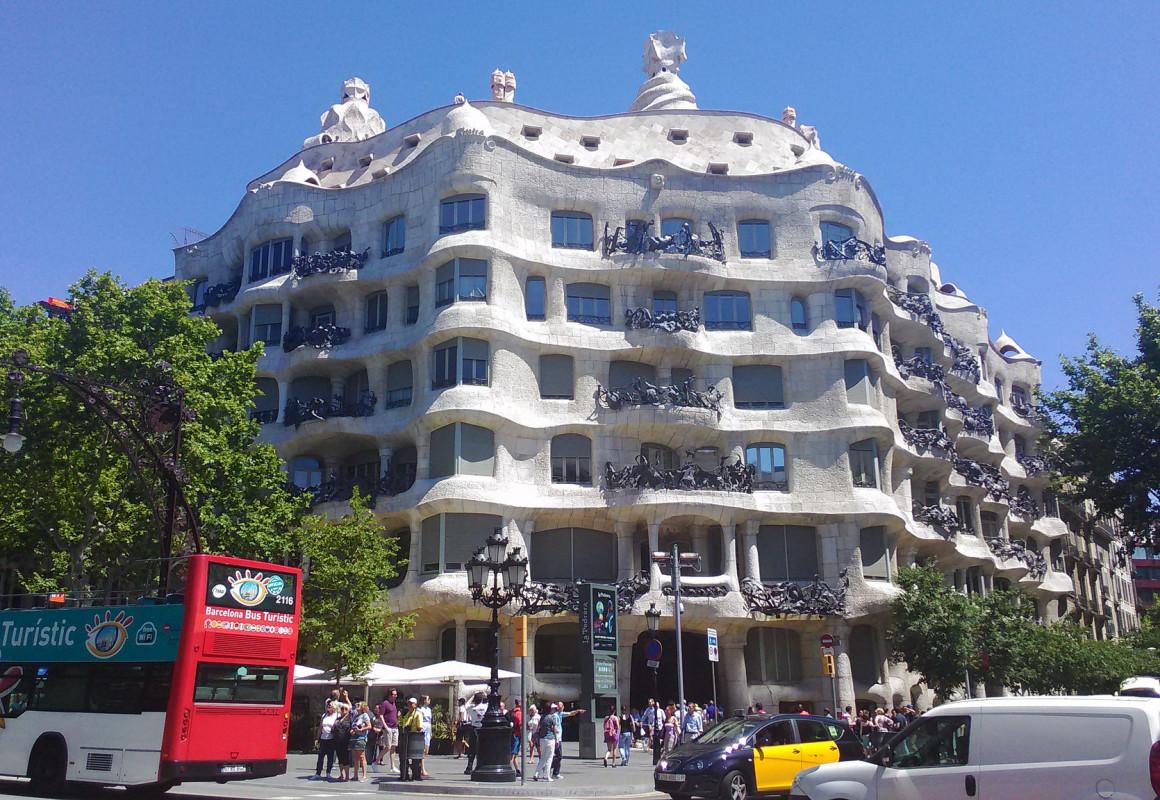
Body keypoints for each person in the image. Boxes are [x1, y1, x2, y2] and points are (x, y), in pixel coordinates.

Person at [551, 701, 587, 779]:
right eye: (558, 707)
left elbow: (571, 713)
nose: (559, 708)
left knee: (557, 756)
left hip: (558, 738)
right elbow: (554, 727)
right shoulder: (555, 715)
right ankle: (550, 768)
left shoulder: (560, 714)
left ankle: (554, 772)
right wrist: (556, 739)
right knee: (559, 756)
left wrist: (578, 711)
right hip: (556, 738)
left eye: (561, 707)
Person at [397, 697, 424, 781]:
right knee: (403, 758)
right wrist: (400, 717)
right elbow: (401, 723)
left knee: (415, 760)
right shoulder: (407, 713)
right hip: (405, 738)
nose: (409, 704)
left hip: (414, 739)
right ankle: (404, 775)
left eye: (411, 703)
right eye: (408, 703)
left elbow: (420, 727)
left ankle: (416, 775)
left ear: (415, 705)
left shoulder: (418, 714)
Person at [533, 702, 560, 781]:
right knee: (549, 758)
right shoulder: (552, 718)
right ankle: (547, 776)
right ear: (550, 709)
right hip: (550, 739)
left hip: (542, 739)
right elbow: (554, 730)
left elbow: (538, 728)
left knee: (542, 758)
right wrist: (557, 739)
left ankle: (536, 774)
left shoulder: (542, 717)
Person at [313, 700, 340, 779]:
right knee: (320, 756)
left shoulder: (336, 715)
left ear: (334, 707)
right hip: (323, 738)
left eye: (330, 706)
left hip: (331, 739)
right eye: (328, 706)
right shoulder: (324, 715)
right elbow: (320, 727)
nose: (328, 707)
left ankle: (328, 772)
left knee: (330, 756)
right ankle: (318, 773)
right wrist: (317, 738)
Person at [464, 691, 488, 774]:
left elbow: (466, 704)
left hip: (474, 728)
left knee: (472, 749)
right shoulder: (485, 707)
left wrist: (473, 696)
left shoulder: (472, 708)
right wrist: (484, 695)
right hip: (483, 728)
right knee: (483, 748)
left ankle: (469, 766)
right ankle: (481, 765)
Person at [349, 701, 372, 782]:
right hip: (354, 738)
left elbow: (369, 726)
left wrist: (361, 729)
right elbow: (354, 726)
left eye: (358, 705)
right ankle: (355, 775)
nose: (357, 706)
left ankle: (364, 775)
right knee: (355, 757)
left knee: (362, 756)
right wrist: (353, 730)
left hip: (361, 738)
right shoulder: (356, 716)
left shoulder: (364, 715)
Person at [378, 689, 399, 771]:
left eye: (396, 694)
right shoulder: (385, 703)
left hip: (395, 727)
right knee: (388, 747)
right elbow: (381, 715)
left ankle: (392, 766)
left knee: (393, 747)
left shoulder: (394, 704)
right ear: (390, 695)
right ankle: (376, 761)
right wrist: (385, 726)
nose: (396, 696)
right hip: (388, 727)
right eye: (394, 694)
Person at [333, 703, 353, 782]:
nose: (343, 710)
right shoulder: (338, 719)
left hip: (346, 741)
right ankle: (341, 774)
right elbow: (334, 728)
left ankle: (347, 776)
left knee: (346, 758)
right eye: (342, 709)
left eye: (345, 709)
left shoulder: (350, 719)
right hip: (337, 741)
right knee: (340, 758)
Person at [418, 695, 433, 778]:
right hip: (422, 728)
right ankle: (422, 769)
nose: (429, 700)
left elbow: (430, 721)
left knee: (426, 750)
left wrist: (431, 732)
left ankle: (420, 767)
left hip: (428, 729)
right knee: (422, 750)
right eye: (428, 699)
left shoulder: (429, 710)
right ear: (424, 701)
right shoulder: (420, 710)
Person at [509, 699, 523, 775]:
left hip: (512, 733)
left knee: (515, 754)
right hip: (517, 735)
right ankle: (509, 770)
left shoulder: (512, 712)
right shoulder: (519, 713)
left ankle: (517, 770)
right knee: (513, 754)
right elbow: (520, 725)